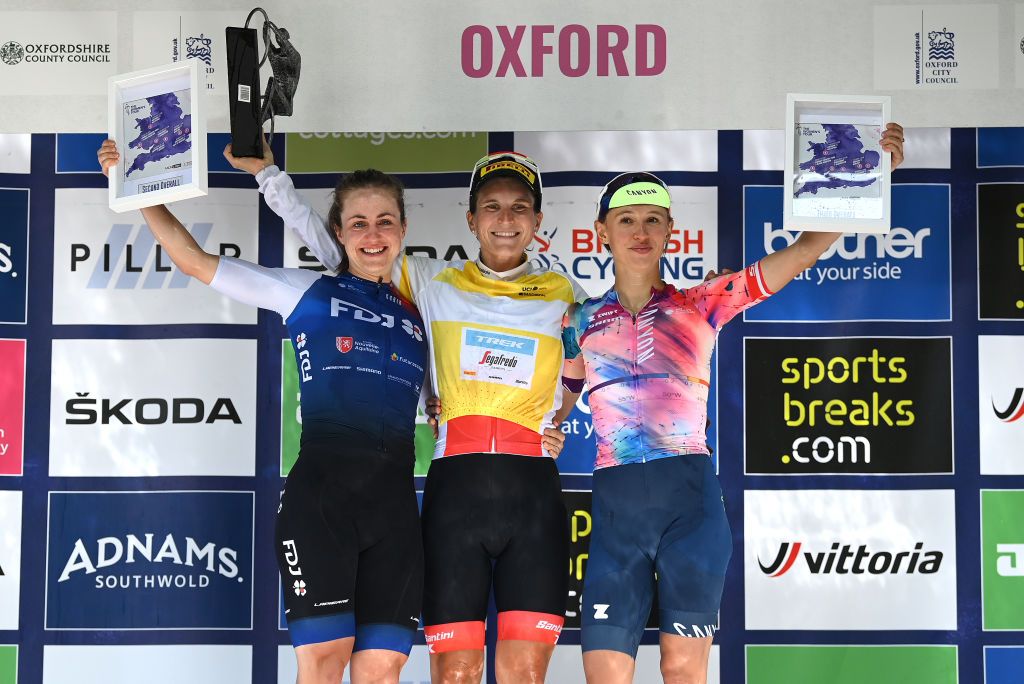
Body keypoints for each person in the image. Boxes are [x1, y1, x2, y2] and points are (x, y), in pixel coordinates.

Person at [225, 145, 585, 683]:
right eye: (491, 206)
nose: (505, 220)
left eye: (518, 208)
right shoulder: (428, 278)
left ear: (537, 221)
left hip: (530, 486)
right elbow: (345, 258)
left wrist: (558, 417)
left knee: (526, 673)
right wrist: (271, 178)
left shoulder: (566, 294)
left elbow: (590, 363)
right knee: (456, 672)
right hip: (454, 487)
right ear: (471, 218)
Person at [560, 125, 906, 684]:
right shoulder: (577, 321)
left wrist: (873, 179)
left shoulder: (703, 303)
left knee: (682, 670)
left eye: (653, 220)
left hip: (689, 509)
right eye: (626, 220)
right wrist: (554, 421)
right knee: (604, 676)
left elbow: (806, 248)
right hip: (616, 514)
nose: (640, 232)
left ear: (671, 231)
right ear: (602, 232)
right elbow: (570, 386)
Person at [98, 140, 428, 684]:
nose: (374, 234)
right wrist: (130, 189)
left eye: (385, 221)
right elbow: (195, 261)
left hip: (394, 508)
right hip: (323, 499)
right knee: (324, 661)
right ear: (340, 234)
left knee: (382, 667)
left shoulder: (420, 310)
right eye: (359, 222)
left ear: (402, 231)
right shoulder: (307, 291)